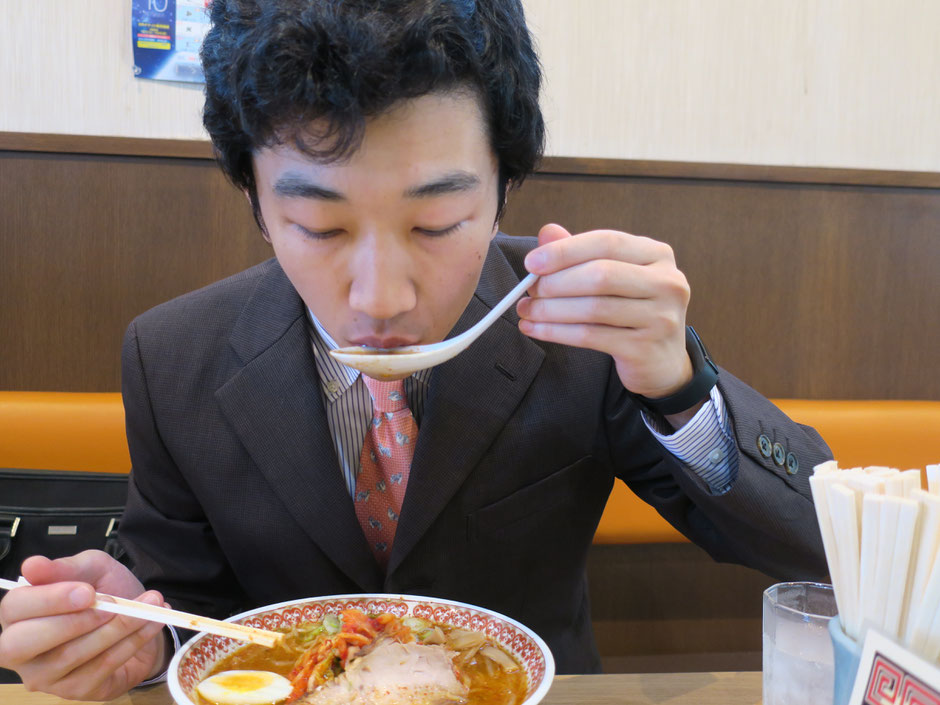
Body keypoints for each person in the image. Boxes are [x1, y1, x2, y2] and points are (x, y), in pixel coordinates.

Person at [0, 0, 830, 699]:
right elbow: (189, 605)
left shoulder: (578, 330)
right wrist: (135, 638)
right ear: (254, 197)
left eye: (436, 224)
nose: (379, 297)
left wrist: (679, 387)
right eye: (319, 226)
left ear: (505, 184)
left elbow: (814, 549)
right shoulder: (173, 355)